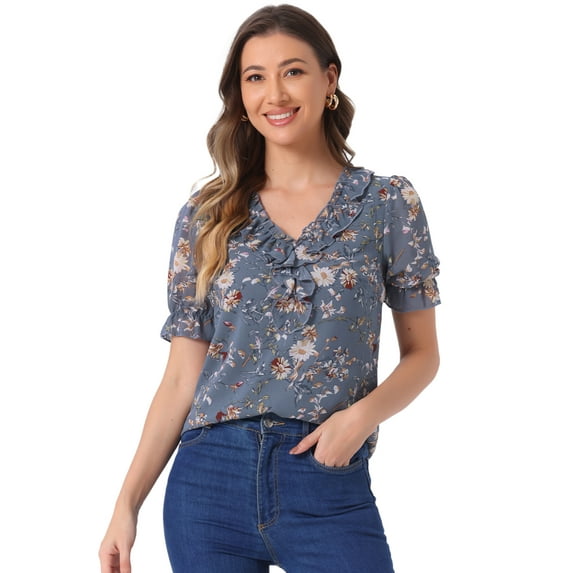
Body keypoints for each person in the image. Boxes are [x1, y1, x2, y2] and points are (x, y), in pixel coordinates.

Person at [99, 4, 440, 572]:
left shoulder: (387, 203)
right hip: (208, 484)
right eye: (255, 77)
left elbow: (423, 355)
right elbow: (181, 377)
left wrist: (357, 420)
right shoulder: (208, 215)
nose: (274, 94)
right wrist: (126, 504)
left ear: (329, 79)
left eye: (293, 71)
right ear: (240, 95)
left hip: (327, 475)